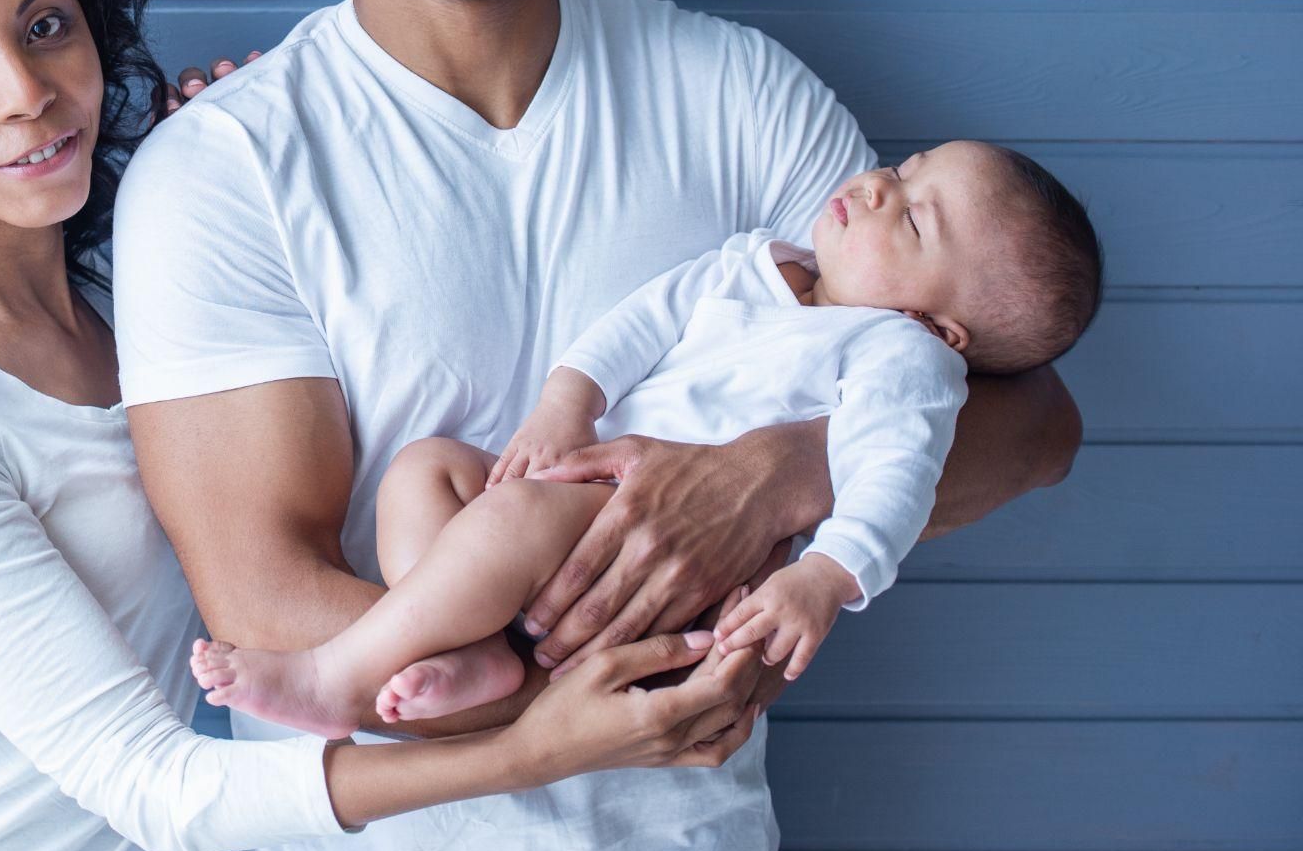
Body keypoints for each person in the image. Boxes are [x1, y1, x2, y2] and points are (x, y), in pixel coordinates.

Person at [112, 0, 1083, 851]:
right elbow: (261, 604)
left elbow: (1030, 422)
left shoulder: (737, 93)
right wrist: (556, 711)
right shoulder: (223, 167)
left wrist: (778, 475)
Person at [0, 0, 770, 851]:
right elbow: (151, 785)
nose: (26, 90)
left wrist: (199, 185)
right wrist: (534, 749)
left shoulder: (112, 316)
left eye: (44, 26)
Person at [188, 141, 1103, 736]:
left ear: (937, 324)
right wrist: (566, 404)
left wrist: (824, 577)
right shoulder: (759, 261)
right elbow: (636, 325)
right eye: (902, 169)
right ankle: (469, 653)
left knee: (509, 522)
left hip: (667, 574)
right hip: (585, 477)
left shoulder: (898, 357)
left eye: (908, 216)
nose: (873, 185)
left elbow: (894, 479)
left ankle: (338, 680)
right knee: (424, 471)